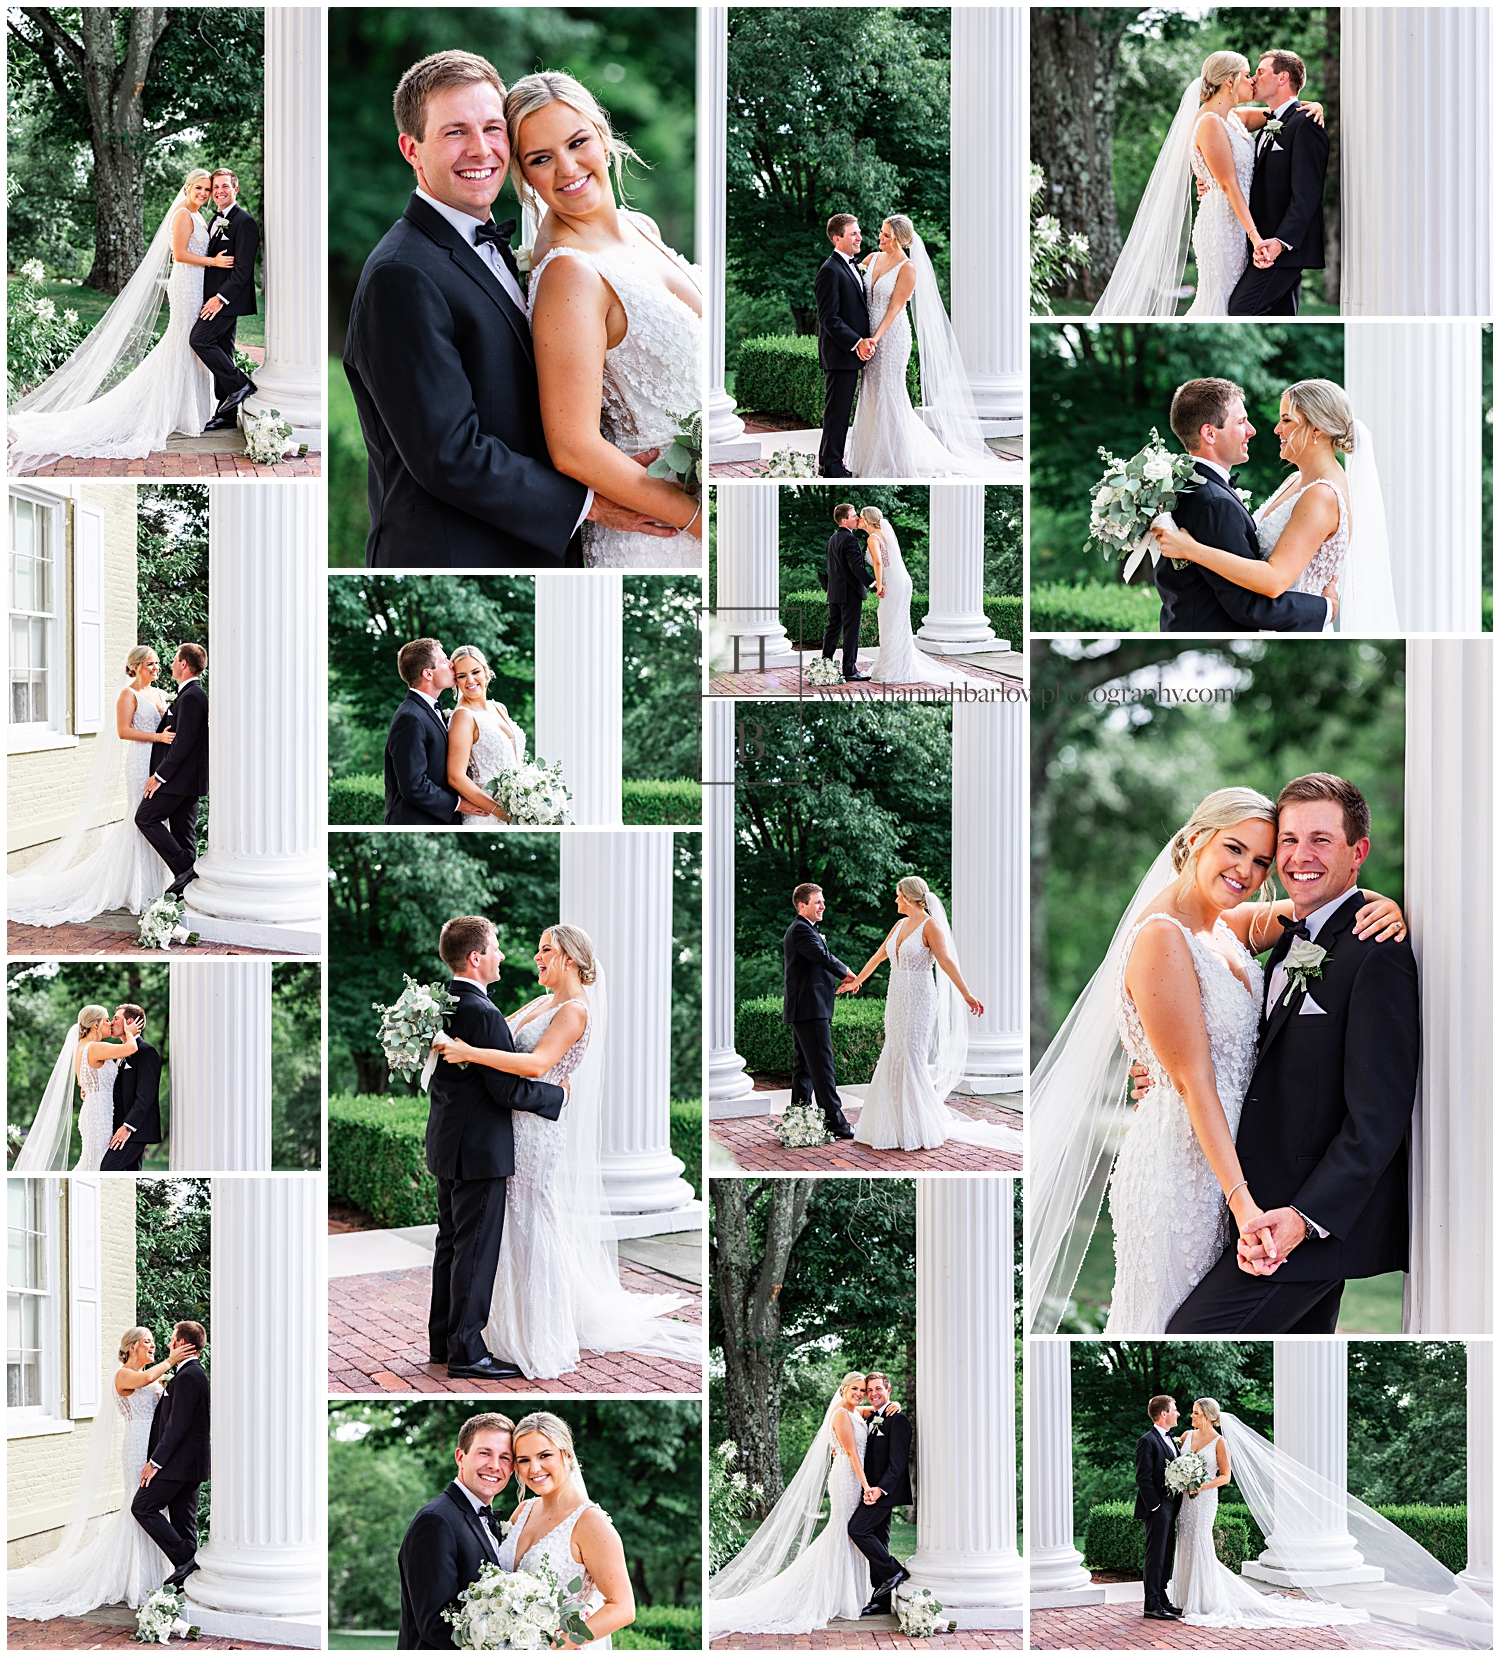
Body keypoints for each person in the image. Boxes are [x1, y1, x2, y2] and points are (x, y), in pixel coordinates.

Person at [1028, 781, 1411, 1334]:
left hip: (1250, 1183)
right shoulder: (1162, 935)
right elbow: (1194, 1082)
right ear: (1194, 840)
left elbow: (1321, 904)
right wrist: (1243, 1202)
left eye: (1260, 858)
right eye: (1235, 849)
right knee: (1165, 1325)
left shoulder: (1225, 927)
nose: (1250, 871)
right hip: (1186, 1174)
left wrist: (1383, 903)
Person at [344, 50, 681, 567]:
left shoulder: (498, 246)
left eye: (492, 129)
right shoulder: (402, 273)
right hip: (459, 555)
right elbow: (448, 454)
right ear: (411, 149)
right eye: (455, 132)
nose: (480, 150)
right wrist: (591, 502)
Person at [431, 926, 699, 1378]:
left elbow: (536, 1064)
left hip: (532, 1130)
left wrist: (469, 1051)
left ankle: (534, 1329)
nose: (535, 957)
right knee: (492, 1235)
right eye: (538, 949)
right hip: (506, 1124)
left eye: (546, 950)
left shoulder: (575, 1011)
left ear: (571, 959)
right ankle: (481, 1334)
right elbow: (508, 1046)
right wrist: (478, 1052)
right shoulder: (540, 1002)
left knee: (528, 1222)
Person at [516, 72, 704, 567]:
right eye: (540, 159)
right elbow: (573, 447)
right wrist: (704, 520)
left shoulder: (643, 227)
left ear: (602, 136)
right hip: (662, 532)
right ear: (524, 176)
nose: (567, 168)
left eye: (578, 142)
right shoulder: (568, 273)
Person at [8, 170, 227, 471]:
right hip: (185, 285)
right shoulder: (181, 215)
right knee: (182, 342)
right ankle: (166, 412)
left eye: (207, 189)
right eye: (199, 188)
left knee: (190, 346)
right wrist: (213, 262)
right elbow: (179, 254)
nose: (203, 193)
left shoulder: (200, 216)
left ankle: (189, 411)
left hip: (198, 286)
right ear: (188, 188)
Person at [425, 916, 567, 1380]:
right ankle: (467, 1351)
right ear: (476, 957)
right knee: (474, 1251)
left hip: (448, 1143)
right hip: (480, 1149)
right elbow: (506, 1091)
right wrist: (558, 1095)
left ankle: (443, 1343)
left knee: (450, 1245)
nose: (503, 955)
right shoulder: (482, 1014)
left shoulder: (441, 1003)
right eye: (497, 947)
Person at [1151, 380, 1399, 636]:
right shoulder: (1294, 481)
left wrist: (1191, 549)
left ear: (1316, 428)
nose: (1276, 429)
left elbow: (1274, 579)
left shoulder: (1322, 495)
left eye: (1287, 420)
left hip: (1291, 629)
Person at [7, 1328, 190, 1619]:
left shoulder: (154, 1376)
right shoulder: (124, 1375)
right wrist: (171, 1360)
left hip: (155, 1448)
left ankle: (153, 1576)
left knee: (153, 1509)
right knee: (140, 1506)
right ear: (131, 1347)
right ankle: (136, 1580)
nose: (153, 1346)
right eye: (147, 1342)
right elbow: (144, 1380)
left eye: (155, 1342)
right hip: (137, 1447)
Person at [8, 645, 175, 928]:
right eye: (150, 664)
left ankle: (159, 884)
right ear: (135, 666)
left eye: (157, 663)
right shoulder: (128, 694)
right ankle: (139, 889)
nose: (156, 668)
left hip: (160, 764)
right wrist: (157, 738)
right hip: (140, 761)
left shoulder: (160, 694)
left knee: (160, 819)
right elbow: (124, 731)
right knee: (141, 818)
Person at [709, 1374, 878, 1636]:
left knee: (850, 1535)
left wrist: (892, 1404)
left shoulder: (856, 1412)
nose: (859, 1393)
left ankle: (847, 1595)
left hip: (854, 1479)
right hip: (847, 1478)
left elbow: (875, 1409)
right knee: (842, 1531)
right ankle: (827, 1596)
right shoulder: (842, 1415)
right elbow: (852, 1453)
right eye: (854, 1389)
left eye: (863, 1390)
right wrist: (867, 1487)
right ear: (843, 1388)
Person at [845, 216, 1002, 478]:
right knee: (870, 390)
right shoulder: (870, 259)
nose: (879, 238)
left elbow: (895, 308)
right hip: (867, 336)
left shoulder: (908, 269)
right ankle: (869, 456)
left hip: (892, 336)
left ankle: (893, 459)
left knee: (889, 391)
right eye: (881, 233)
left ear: (897, 238)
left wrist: (875, 338)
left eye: (885, 235)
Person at [498, 1412, 637, 1647]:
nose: (534, 1469)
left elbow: (623, 1608)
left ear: (567, 1454)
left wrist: (554, 1648)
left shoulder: (591, 1523)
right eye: (524, 1460)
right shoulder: (522, 1511)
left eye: (544, 1455)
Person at [397, 1411, 518, 1650]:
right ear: (460, 1457)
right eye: (484, 1453)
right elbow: (435, 1624)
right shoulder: (436, 1521)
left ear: (512, 1468)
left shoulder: (487, 1519)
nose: (494, 1465)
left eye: (505, 1457)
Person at [131, 1321, 211, 1588]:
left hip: (176, 1465)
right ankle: (189, 1582)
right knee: (183, 1525)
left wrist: (155, 1462)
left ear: (182, 1344)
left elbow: (177, 1426)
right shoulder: (190, 1374)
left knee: (142, 1506)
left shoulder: (189, 1376)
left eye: (171, 1339)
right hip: (188, 1466)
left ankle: (190, 1561)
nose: (167, 1344)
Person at [781, 884, 859, 1140]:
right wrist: (847, 972)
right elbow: (822, 956)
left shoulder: (805, 930)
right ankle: (837, 1124)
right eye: (817, 902)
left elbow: (822, 955)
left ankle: (799, 1120)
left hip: (808, 1008)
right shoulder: (801, 931)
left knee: (803, 1068)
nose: (823, 906)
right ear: (802, 905)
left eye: (822, 901)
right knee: (823, 1067)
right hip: (810, 1009)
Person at [134, 643, 209, 899]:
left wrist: (159, 777)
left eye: (176, 660)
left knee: (145, 817)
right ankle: (187, 894)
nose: (172, 664)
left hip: (177, 781)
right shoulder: (190, 696)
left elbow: (183, 744)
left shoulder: (192, 697)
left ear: (184, 664)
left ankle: (187, 872)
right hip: (186, 781)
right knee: (183, 835)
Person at [192, 168, 261, 429]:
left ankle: (240, 384)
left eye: (224, 186)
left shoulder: (245, 222)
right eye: (215, 187)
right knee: (222, 350)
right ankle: (226, 414)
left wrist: (219, 299)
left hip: (226, 300)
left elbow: (243, 270)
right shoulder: (215, 219)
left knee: (200, 339)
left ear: (236, 189)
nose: (219, 191)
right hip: (212, 296)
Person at [99, 1003, 163, 1171]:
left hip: (133, 1131)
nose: (111, 1023)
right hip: (116, 1127)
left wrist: (127, 1127)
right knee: (131, 1174)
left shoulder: (146, 1052)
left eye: (116, 1019)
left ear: (130, 1022)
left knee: (107, 1170)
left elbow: (146, 1095)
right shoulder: (118, 1053)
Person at [820, 502, 875, 683]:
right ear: (844, 521)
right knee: (851, 632)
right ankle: (849, 670)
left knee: (832, 630)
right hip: (850, 593)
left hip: (835, 592)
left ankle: (825, 666)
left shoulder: (832, 538)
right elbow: (856, 567)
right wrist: (873, 583)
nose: (857, 519)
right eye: (853, 516)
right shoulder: (850, 540)